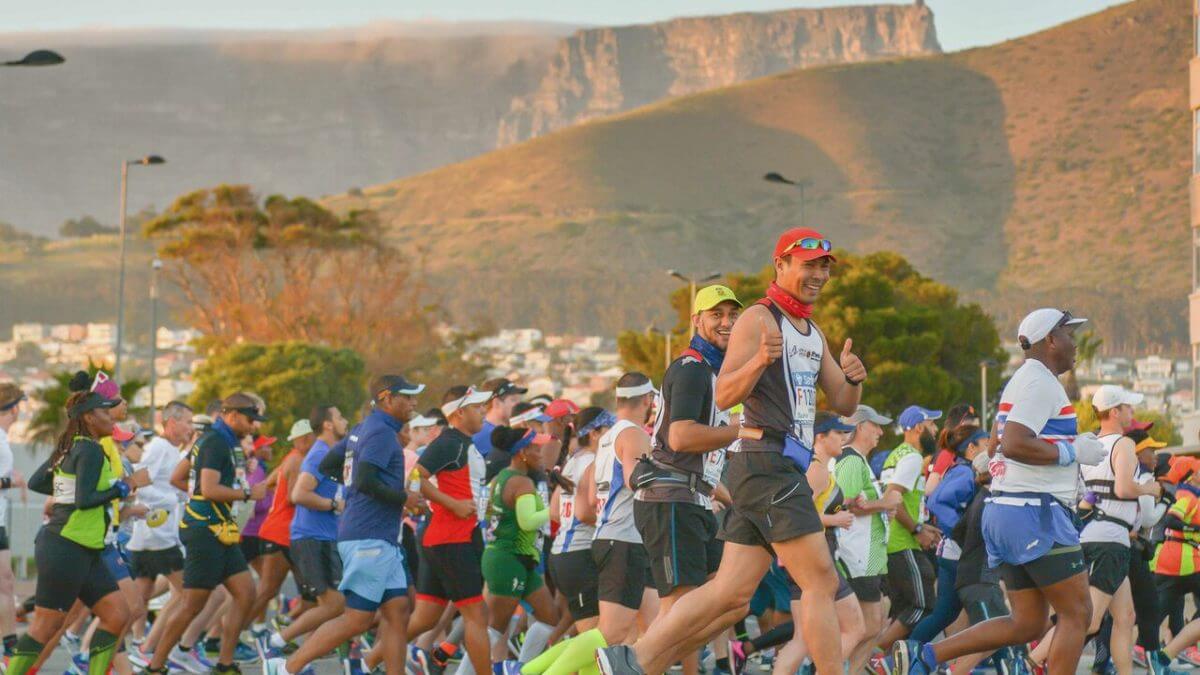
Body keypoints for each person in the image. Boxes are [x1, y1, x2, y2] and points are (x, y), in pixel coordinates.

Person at [596, 227, 867, 675]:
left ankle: (633, 661)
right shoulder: (758, 320)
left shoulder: (812, 331)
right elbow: (723, 394)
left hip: (771, 470)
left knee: (730, 595)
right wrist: (760, 361)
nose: (818, 273)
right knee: (820, 579)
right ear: (780, 265)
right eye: (808, 264)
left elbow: (843, 403)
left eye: (824, 266)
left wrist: (855, 378)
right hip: (766, 466)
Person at [893, 308, 1105, 675]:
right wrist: (1073, 451)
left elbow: (995, 444)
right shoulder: (1041, 383)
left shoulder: (1022, 379)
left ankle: (924, 656)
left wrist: (1061, 445)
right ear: (1050, 340)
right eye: (1069, 334)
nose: (1074, 344)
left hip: (1007, 511)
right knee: (1079, 613)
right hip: (1035, 513)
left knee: (1028, 624)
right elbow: (1014, 442)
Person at [266, 375, 423, 675]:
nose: (414, 402)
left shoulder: (364, 429)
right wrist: (405, 499)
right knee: (357, 619)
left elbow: (330, 467)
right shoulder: (378, 432)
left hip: (378, 536)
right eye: (408, 396)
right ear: (387, 398)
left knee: (398, 611)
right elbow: (364, 479)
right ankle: (286, 667)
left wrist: (351, 488)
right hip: (369, 537)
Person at [8, 373, 150, 675]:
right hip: (66, 546)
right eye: (104, 411)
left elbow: (39, 482)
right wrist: (127, 485)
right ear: (88, 417)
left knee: (117, 614)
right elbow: (86, 500)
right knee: (46, 626)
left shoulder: (74, 445)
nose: (111, 416)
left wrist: (67, 492)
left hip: (85, 549)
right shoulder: (89, 449)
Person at [633, 285, 740, 675]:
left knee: (726, 599)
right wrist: (740, 430)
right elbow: (681, 437)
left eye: (732, 314)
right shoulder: (692, 368)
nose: (727, 322)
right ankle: (630, 665)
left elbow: (704, 460)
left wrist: (729, 498)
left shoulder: (712, 371)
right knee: (678, 607)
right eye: (717, 314)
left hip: (691, 497)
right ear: (696, 320)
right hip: (669, 499)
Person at [1027, 385, 1162, 675]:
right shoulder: (1123, 444)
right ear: (1114, 411)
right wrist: (1150, 488)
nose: (1132, 413)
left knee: (1125, 616)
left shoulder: (1088, 444)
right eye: (1128, 407)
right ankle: (1031, 662)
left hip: (1090, 535)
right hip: (1111, 540)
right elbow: (1124, 488)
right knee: (1087, 620)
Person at [144, 393, 269, 675]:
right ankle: (155, 665)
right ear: (233, 415)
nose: (253, 426)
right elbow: (209, 489)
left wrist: (196, 498)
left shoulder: (218, 440)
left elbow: (178, 477)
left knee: (247, 592)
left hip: (219, 529)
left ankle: (224, 664)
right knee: (192, 604)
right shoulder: (215, 442)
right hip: (204, 532)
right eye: (250, 420)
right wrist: (248, 493)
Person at [737, 411, 865, 675]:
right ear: (820, 436)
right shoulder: (816, 469)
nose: (844, 438)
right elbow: (798, 514)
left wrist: (844, 507)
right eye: (838, 433)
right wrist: (835, 519)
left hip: (803, 558)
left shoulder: (816, 466)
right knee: (855, 627)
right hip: (812, 556)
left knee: (802, 638)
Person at [405, 384, 493, 675]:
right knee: (477, 614)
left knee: (425, 620)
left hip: (450, 537)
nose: (484, 410)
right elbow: (417, 475)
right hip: (450, 539)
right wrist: (452, 504)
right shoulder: (450, 442)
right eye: (478, 406)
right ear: (459, 412)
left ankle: (366, 664)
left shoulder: (463, 443)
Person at [266, 405, 348, 655]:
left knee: (334, 605)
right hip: (312, 538)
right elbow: (299, 493)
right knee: (334, 605)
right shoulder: (319, 453)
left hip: (324, 538)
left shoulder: (331, 452)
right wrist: (334, 504)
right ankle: (278, 645)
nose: (345, 420)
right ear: (328, 424)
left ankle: (304, 652)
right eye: (340, 416)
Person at [482, 427, 560, 674]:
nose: (541, 453)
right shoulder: (521, 482)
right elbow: (527, 521)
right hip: (508, 560)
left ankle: (519, 670)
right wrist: (555, 510)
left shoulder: (501, 477)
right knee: (495, 628)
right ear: (522, 453)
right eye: (536, 448)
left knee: (549, 619)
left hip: (515, 559)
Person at [907, 425, 989, 652]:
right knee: (991, 613)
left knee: (944, 614)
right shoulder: (964, 473)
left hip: (954, 553)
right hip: (958, 555)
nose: (991, 447)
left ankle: (901, 656)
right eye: (985, 443)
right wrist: (962, 533)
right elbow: (936, 501)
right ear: (971, 448)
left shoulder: (966, 470)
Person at [127, 401, 193, 668]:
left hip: (152, 536)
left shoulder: (171, 450)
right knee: (189, 593)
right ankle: (157, 647)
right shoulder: (159, 448)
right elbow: (140, 484)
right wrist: (174, 497)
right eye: (187, 422)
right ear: (172, 423)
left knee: (137, 604)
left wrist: (175, 496)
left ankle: (135, 649)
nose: (190, 428)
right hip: (157, 537)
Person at [834, 405, 897, 674]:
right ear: (860, 427)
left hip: (865, 555)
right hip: (857, 554)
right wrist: (885, 503)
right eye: (876, 426)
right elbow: (844, 505)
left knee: (872, 624)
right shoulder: (850, 461)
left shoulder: (858, 460)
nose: (881, 432)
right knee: (869, 625)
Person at [877, 406, 943, 651]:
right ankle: (873, 656)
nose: (936, 430)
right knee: (922, 605)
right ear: (918, 428)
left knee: (903, 608)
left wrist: (922, 525)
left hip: (892, 541)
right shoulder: (913, 457)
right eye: (932, 424)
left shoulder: (896, 454)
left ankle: (884, 660)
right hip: (901, 542)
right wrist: (918, 530)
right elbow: (893, 497)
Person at [248, 422, 315, 653]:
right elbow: (294, 497)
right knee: (267, 590)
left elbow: (269, 482)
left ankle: (283, 629)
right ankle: (231, 633)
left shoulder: (293, 458)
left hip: (289, 532)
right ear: (305, 439)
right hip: (281, 533)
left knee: (312, 594)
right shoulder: (297, 460)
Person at [0, 383, 27, 658]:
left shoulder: (3, 439)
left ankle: (9, 644)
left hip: (0, 522)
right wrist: (10, 480)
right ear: (14, 407)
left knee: (6, 582)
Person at [474, 379, 527, 458]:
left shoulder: (509, 431)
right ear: (497, 403)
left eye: (519, 400)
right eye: (513, 400)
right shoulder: (482, 434)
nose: (519, 404)